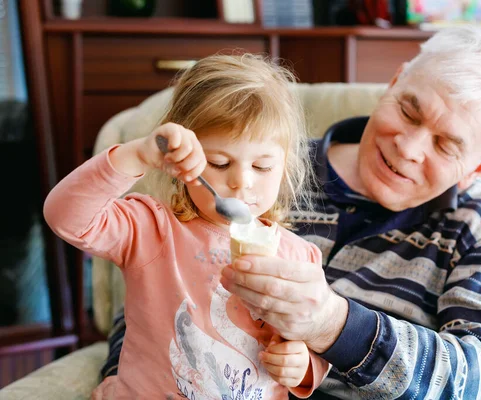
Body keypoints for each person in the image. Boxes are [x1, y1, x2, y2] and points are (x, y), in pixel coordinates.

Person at [104, 25, 481, 399]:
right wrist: (125, 379)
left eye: (445, 145)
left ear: (478, 168)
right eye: (408, 110)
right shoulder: (265, 170)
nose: (408, 146)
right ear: (395, 82)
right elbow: (160, 283)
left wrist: (334, 326)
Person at [43, 54, 330, 399]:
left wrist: (302, 364)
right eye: (219, 163)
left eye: (263, 166)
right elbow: (65, 216)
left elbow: (307, 340)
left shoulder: (300, 257)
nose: (242, 181)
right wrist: (136, 156)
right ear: (183, 162)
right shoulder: (151, 229)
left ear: (285, 167)